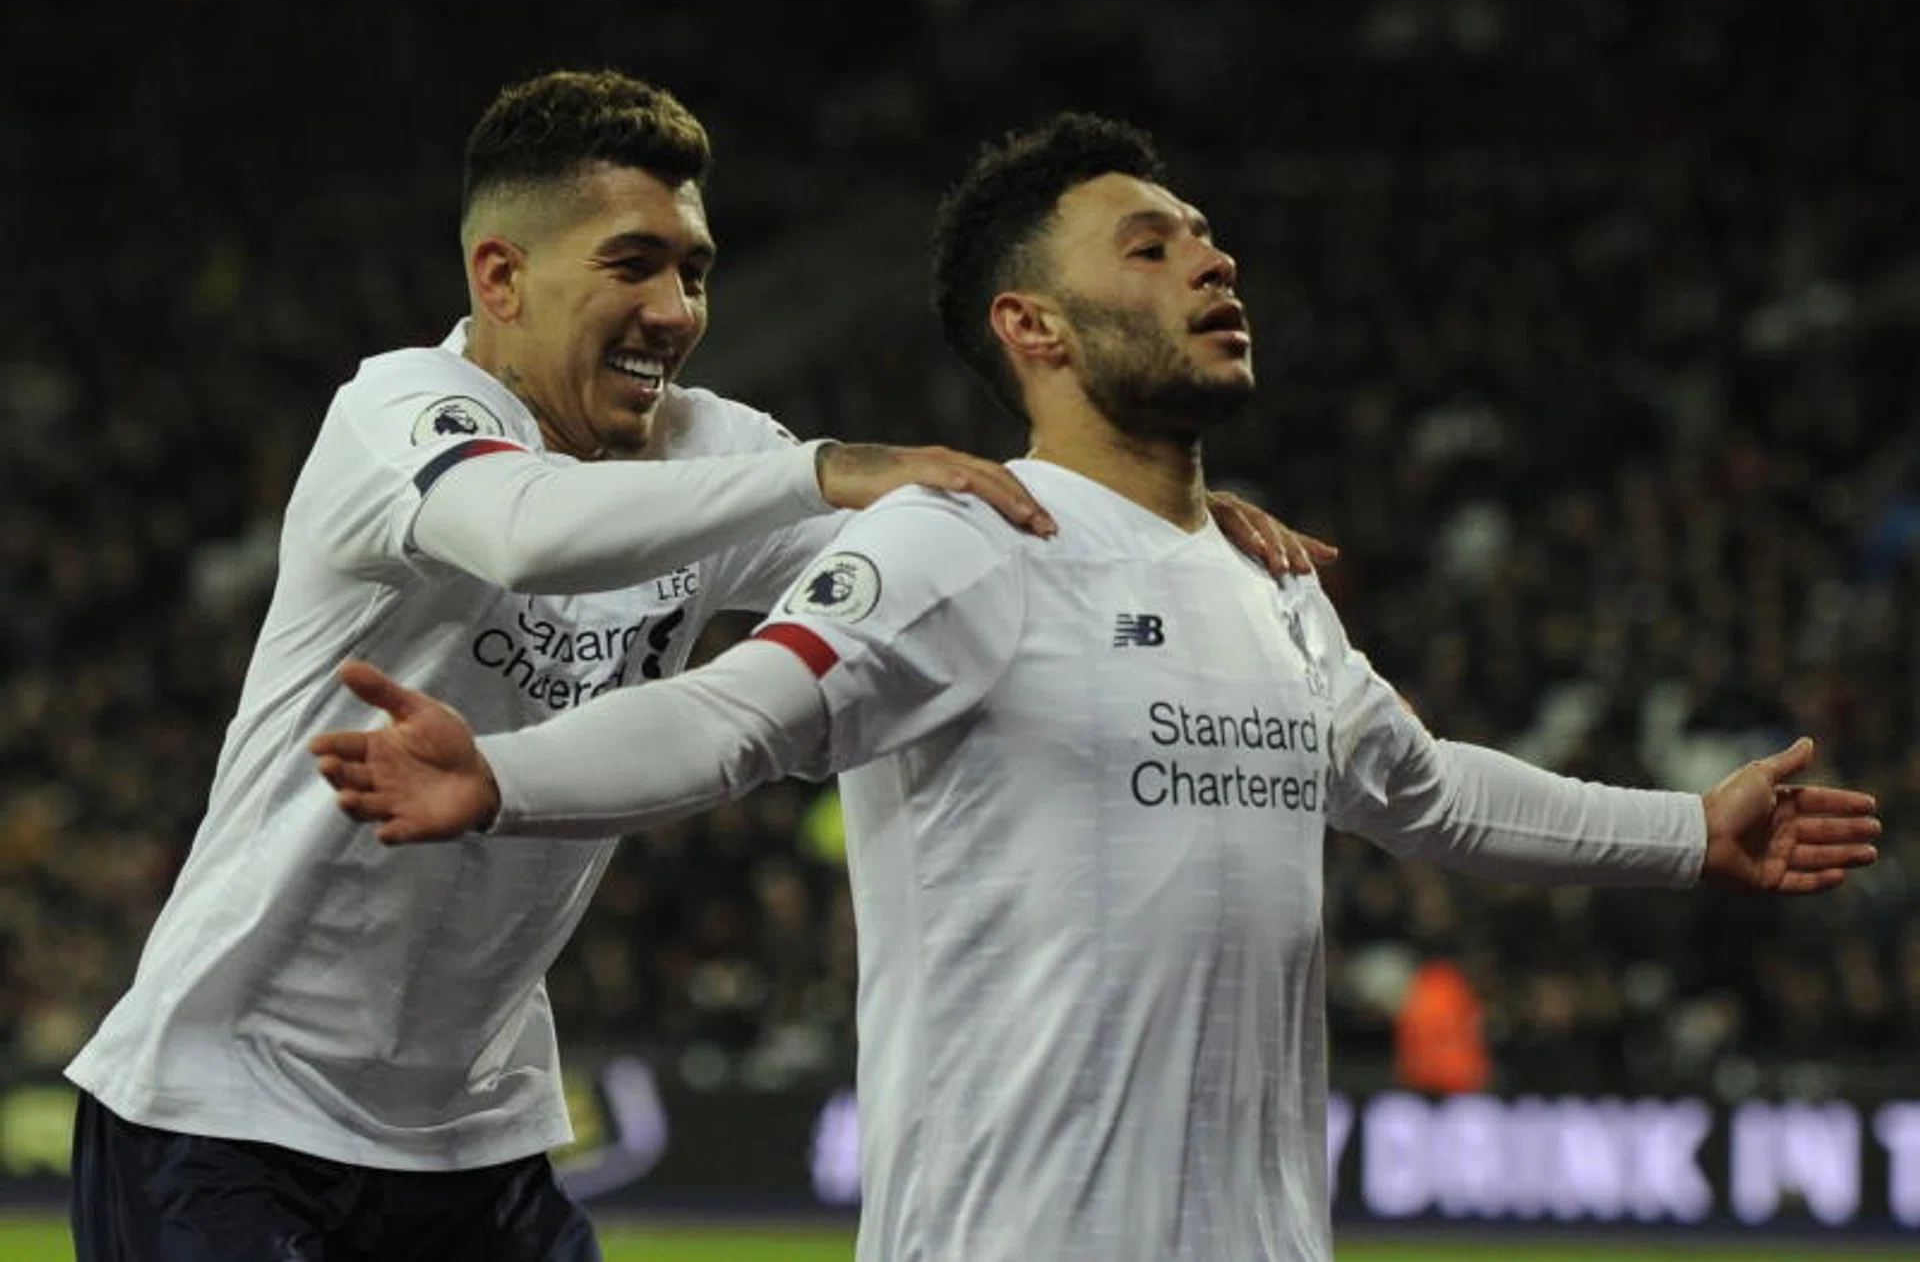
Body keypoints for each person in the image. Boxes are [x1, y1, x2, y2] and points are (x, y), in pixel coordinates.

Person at [310, 113, 1881, 1262]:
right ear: (1032, 326)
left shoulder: (1270, 584)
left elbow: (1424, 787)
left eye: (1208, 238)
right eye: (1154, 244)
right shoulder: (956, 539)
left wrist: (1691, 829)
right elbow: (741, 715)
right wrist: (505, 777)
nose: (1213, 259)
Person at [56, 68, 1311, 1262]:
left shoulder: (707, 445)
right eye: (634, 264)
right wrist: (819, 464)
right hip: (223, 1103)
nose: (678, 310)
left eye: (696, 269)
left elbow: (965, 571)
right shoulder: (399, 411)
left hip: (467, 1128)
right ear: (501, 275)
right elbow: (523, 530)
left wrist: (1164, 526)